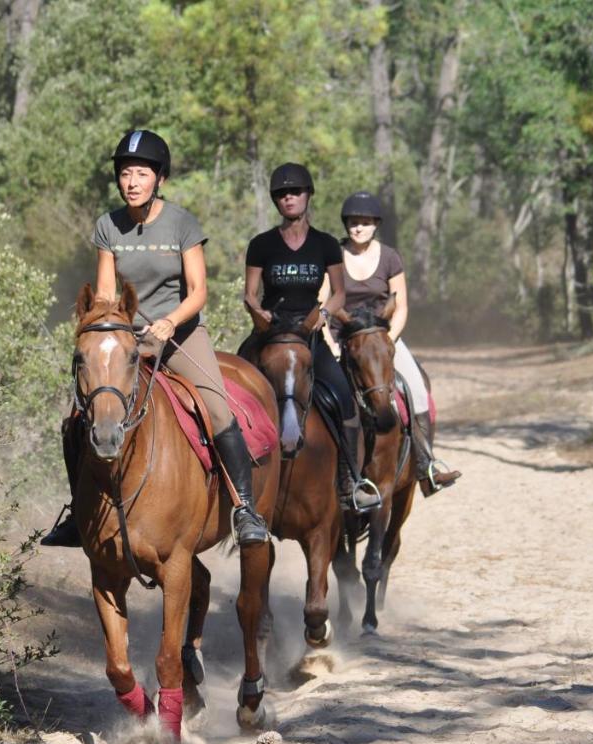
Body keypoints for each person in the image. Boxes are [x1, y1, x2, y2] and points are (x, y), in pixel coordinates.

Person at [41, 130, 270, 547]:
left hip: (181, 336)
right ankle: (79, 512)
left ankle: (244, 509)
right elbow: (107, 293)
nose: (131, 182)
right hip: (130, 339)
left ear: (159, 178)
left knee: (217, 410)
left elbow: (199, 290)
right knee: (76, 418)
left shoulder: (182, 223)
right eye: (125, 174)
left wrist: (169, 321)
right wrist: (111, 329)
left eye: (141, 174)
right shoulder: (108, 226)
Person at [242, 163, 381, 512]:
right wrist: (258, 313)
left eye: (296, 192)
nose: (289, 197)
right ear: (276, 200)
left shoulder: (324, 245)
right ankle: (234, 482)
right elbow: (250, 294)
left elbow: (338, 294)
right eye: (282, 194)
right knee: (231, 392)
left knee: (344, 395)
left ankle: (350, 479)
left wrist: (322, 316)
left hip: (309, 335)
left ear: (308, 196)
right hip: (270, 335)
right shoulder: (261, 245)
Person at [338, 190, 461, 496]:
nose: (358, 228)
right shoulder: (334, 254)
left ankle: (426, 467)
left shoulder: (390, 257)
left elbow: (401, 306)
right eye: (353, 222)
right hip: (343, 340)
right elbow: (324, 299)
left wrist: (387, 342)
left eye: (364, 222)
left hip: (383, 341)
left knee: (417, 391)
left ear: (375, 224)